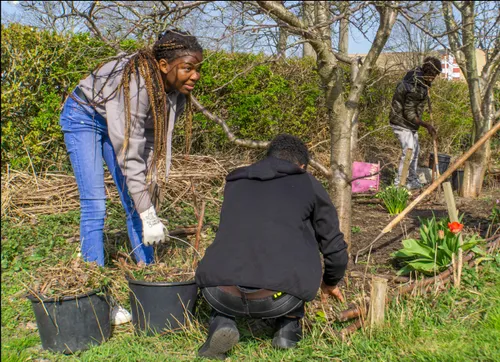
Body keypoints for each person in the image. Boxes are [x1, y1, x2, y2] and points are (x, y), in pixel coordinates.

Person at [59, 29, 203, 324]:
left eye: (197, 69)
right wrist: (149, 216)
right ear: (165, 66)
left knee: (134, 200)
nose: (195, 75)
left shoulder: (172, 92)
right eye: (188, 68)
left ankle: (148, 276)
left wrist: (147, 202)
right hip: (84, 115)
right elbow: (128, 149)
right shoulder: (136, 84)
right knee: (95, 204)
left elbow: (149, 144)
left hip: (115, 122)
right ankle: (96, 295)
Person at [195, 134, 348, 360]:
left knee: (237, 249)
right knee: (299, 243)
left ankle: (222, 319)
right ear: (302, 166)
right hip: (279, 298)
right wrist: (330, 281)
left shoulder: (236, 181)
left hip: (218, 290)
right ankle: (287, 329)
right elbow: (334, 247)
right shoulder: (308, 183)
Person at [389, 56, 442, 189]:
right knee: (409, 150)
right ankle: (399, 184)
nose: (434, 78)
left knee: (416, 150)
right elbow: (409, 113)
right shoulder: (413, 86)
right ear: (428, 73)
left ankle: (412, 180)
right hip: (401, 121)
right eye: (433, 75)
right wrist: (426, 125)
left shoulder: (421, 81)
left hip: (411, 124)